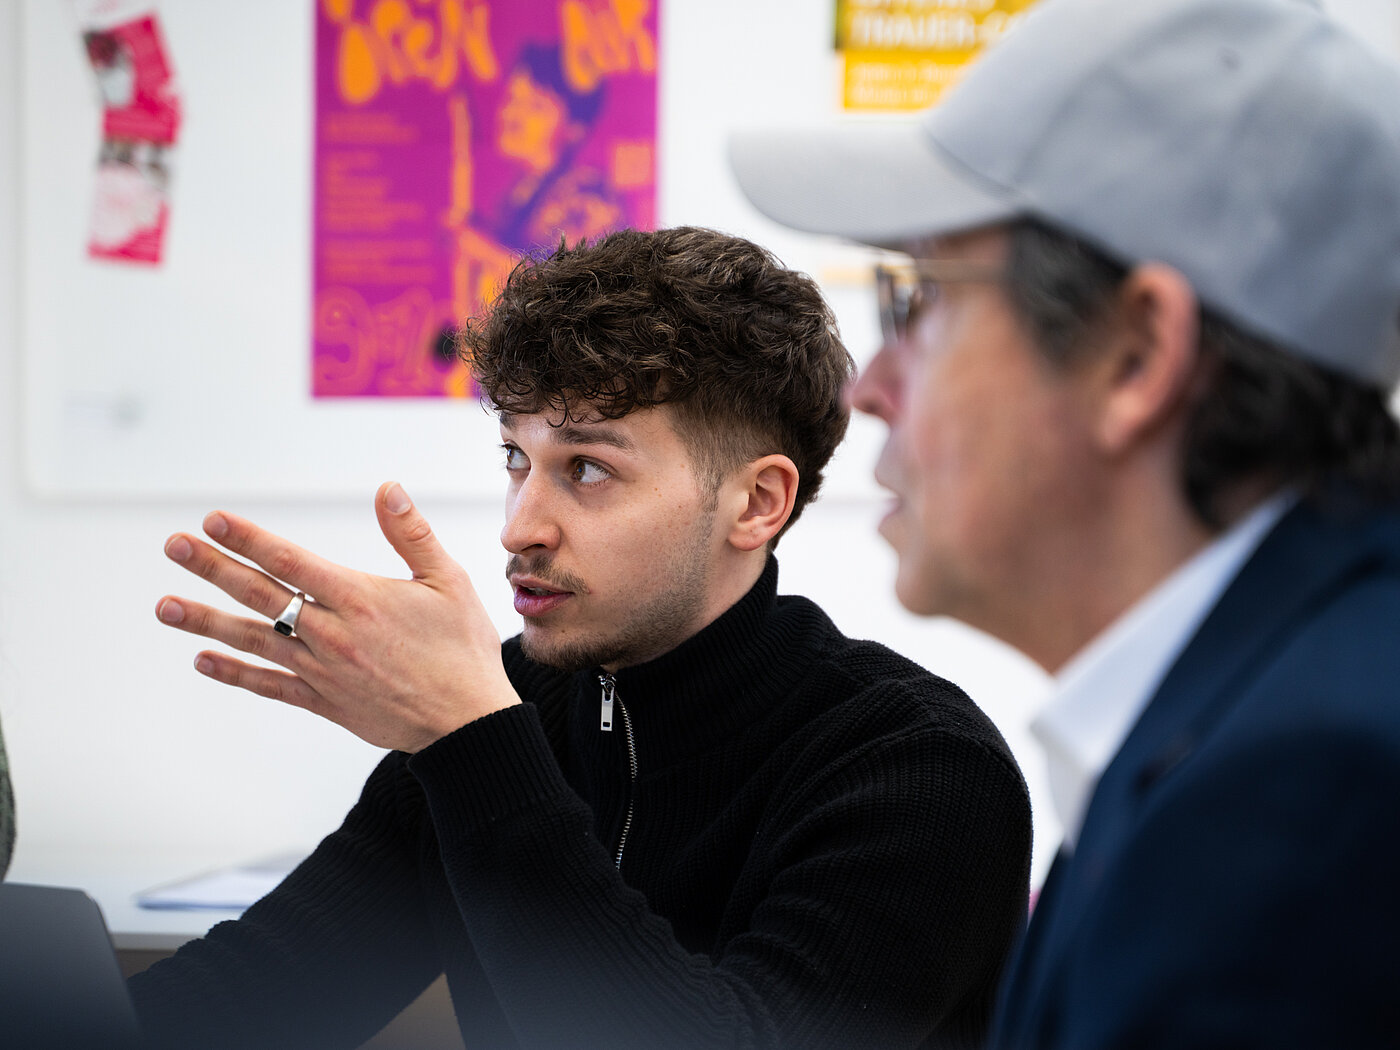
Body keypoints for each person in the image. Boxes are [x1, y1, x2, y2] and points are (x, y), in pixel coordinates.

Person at [131, 226, 1032, 1049]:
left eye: (588, 468)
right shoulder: (493, 707)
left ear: (757, 503)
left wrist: (474, 745)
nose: (519, 527)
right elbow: (251, 998)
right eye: (516, 459)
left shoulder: (921, 769)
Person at [730, 0, 1400, 1045]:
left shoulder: (1297, 794)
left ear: (1135, 357)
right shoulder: (1252, 714)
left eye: (921, 300)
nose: (868, 387)